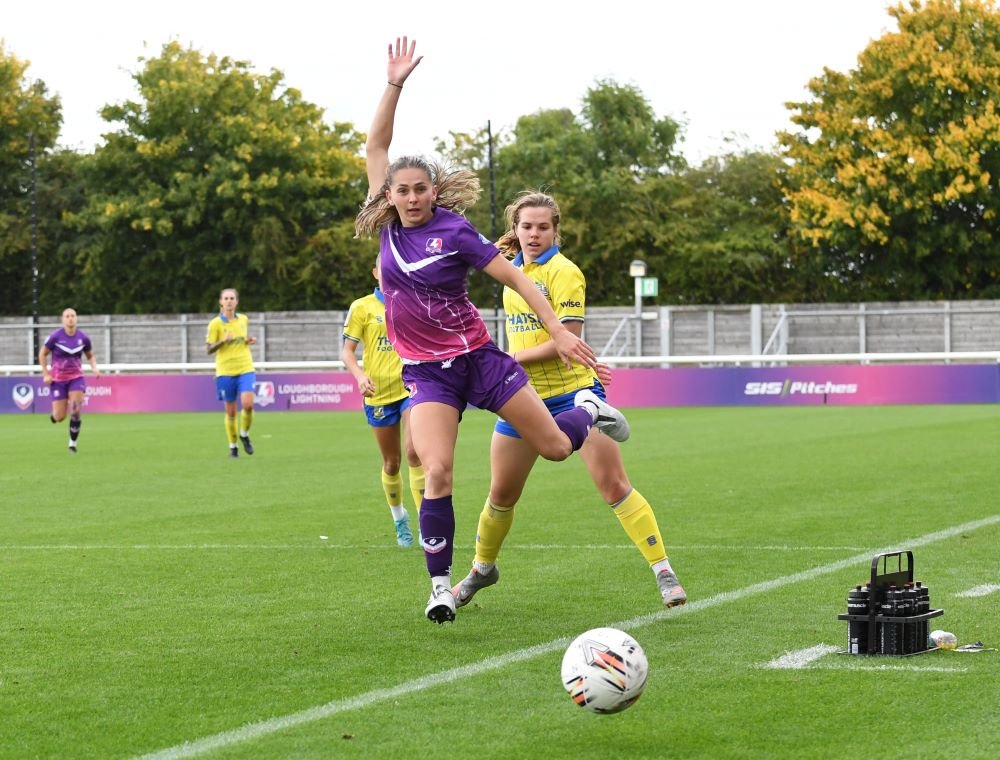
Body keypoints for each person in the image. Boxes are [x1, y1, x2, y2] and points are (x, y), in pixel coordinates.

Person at [357, 36, 630, 624]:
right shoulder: (386, 222)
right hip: (429, 375)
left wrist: (557, 331)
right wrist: (395, 83)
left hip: (480, 360)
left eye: (418, 189)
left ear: (434, 192)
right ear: (391, 194)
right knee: (437, 470)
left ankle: (587, 406)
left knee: (557, 448)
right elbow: (377, 143)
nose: (407, 197)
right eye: (399, 189)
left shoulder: (454, 232)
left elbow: (522, 281)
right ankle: (438, 587)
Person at [451, 192, 688, 611]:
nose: (534, 234)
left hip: (574, 393)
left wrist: (504, 359)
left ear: (556, 230)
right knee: (501, 495)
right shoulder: (511, 268)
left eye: (543, 227)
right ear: (516, 228)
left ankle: (663, 570)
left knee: (613, 485)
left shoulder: (565, 273)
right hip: (521, 395)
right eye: (527, 226)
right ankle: (482, 569)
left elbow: (567, 340)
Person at [342, 257, 426, 547]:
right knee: (392, 463)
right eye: (383, 268)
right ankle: (399, 519)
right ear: (376, 272)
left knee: (415, 452)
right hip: (377, 392)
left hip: (410, 387)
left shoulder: (413, 300)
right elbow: (347, 352)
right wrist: (359, 376)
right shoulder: (361, 307)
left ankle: (426, 522)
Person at [39, 307, 100, 453]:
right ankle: (55, 416)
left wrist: (94, 368)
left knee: (75, 411)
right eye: (67, 316)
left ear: (76, 318)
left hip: (76, 379)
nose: (70, 318)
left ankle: (72, 444)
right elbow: (42, 354)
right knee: (60, 417)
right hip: (58, 380)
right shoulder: (55, 337)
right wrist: (46, 374)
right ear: (63, 319)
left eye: (72, 315)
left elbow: (90, 355)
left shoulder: (83, 338)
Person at [206, 288, 257, 458]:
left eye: (232, 298)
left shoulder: (243, 319)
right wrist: (222, 341)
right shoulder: (215, 324)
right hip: (225, 371)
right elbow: (209, 349)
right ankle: (233, 446)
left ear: (236, 302)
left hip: (245, 367)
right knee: (231, 412)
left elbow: (242, 339)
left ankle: (244, 434)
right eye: (226, 298)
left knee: (248, 404)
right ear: (221, 302)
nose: (229, 301)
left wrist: (248, 340)